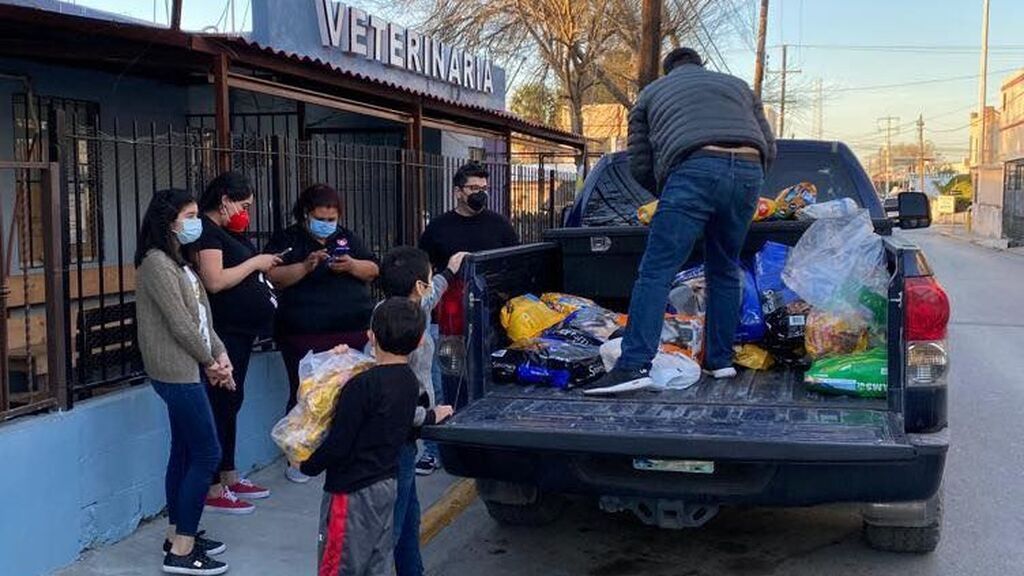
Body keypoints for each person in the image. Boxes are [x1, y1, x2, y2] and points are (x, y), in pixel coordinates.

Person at [585, 47, 776, 396]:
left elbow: (640, 160)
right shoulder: (738, 86)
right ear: (700, 65)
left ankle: (633, 365)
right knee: (724, 268)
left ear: (668, 69)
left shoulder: (651, 93)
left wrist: (669, 192)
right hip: (750, 169)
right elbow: (769, 145)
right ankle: (720, 361)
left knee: (657, 270)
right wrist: (747, 178)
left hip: (694, 168)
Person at [136, 188, 232, 575]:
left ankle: (178, 531)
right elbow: (179, 324)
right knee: (207, 453)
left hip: (190, 367)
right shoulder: (156, 263)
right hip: (176, 371)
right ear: (168, 221)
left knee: (185, 450)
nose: (196, 222)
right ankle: (182, 549)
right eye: (189, 215)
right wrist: (210, 362)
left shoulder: (179, 262)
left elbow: (201, 319)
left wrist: (220, 354)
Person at [300, 298, 424, 576]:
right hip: (385, 485)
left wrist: (307, 465)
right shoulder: (409, 381)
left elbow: (338, 444)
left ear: (371, 336)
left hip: (350, 492)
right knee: (376, 562)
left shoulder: (361, 385)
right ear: (418, 342)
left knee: (338, 565)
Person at [266, 183, 380, 483]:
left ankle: (345, 451)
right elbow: (273, 276)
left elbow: (373, 268)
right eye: (321, 218)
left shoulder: (347, 238)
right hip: (304, 334)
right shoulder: (289, 240)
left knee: (349, 395)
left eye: (332, 218)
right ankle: (299, 458)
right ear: (306, 214)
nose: (327, 224)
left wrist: (351, 265)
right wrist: (305, 266)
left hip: (351, 332)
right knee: (306, 395)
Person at [415, 161, 518, 474]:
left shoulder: (500, 225)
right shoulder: (438, 229)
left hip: (492, 326)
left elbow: (513, 266)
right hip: (450, 326)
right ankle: (440, 450)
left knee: (490, 383)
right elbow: (425, 273)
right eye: (473, 189)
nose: (479, 194)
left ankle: (490, 446)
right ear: (458, 191)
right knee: (450, 384)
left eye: (484, 189)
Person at [193, 172, 280, 514]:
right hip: (224, 331)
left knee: (232, 401)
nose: (246, 213)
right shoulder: (208, 233)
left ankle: (229, 473)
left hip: (241, 332)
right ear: (225, 199)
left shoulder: (228, 233)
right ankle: (213, 482)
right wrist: (256, 263)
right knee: (221, 403)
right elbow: (214, 281)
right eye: (243, 205)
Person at [377, 247, 463, 576]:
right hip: (398, 435)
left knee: (409, 515)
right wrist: (429, 416)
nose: (430, 285)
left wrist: (448, 273)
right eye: (428, 278)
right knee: (393, 523)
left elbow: (428, 301)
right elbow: (393, 398)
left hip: (406, 438)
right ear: (417, 285)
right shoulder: (396, 327)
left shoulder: (399, 311)